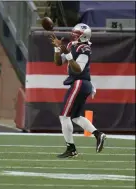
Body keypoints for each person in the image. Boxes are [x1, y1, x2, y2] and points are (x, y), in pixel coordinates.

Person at [49, 23, 106, 158]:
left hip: (80, 83)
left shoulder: (84, 48)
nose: (73, 35)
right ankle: (98, 134)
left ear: (83, 36)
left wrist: (68, 55)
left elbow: (78, 69)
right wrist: (57, 49)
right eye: (73, 32)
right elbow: (58, 63)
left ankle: (71, 149)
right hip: (80, 83)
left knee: (64, 116)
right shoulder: (71, 46)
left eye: (77, 33)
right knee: (75, 116)